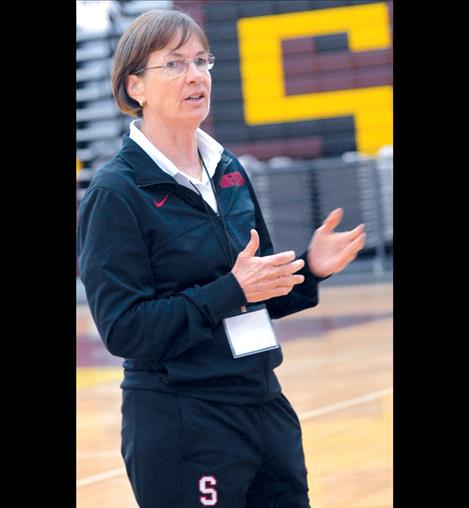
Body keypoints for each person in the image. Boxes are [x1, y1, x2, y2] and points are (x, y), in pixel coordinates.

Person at [77, 8, 366, 508]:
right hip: (183, 417)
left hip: (263, 405)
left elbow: (257, 286)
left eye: (202, 61)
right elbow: (125, 330)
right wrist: (230, 291)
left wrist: (310, 268)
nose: (195, 75)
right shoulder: (116, 192)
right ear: (135, 87)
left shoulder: (228, 169)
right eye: (174, 64)